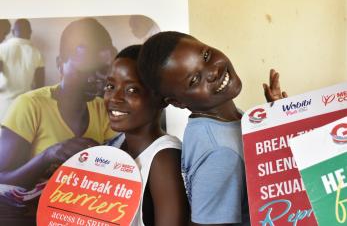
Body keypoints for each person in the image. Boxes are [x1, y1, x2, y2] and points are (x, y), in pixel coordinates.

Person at [137, 31, 286, 225]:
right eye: (194, 80)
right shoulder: (219, 152)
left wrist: (279, 119)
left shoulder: (220, 122)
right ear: (177, 101)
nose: (213, 71)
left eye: (206, 56)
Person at [0, 18, 117, 224]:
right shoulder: (31, 106)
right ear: (59, 64)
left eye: (103, 70)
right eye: (85, 71)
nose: (96, 79)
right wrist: (48, 155)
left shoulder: (101, 108)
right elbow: (2, 180)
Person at [104, 45, 189, 226]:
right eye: (110, 86)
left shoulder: (163, 158)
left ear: (161, 98)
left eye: (132, 90)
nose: (115, 98)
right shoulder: (116, 146)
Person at [0, 19, 45, 121]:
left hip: (2, 107)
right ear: (30, 33)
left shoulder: (1, 49)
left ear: (12, 32)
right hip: (24, 107)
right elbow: (40, 87)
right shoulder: (37, 53)